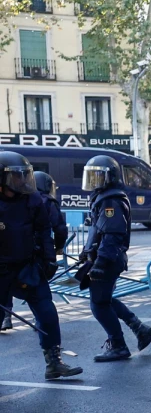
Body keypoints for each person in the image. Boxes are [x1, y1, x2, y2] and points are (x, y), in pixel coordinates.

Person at [0, 151, 83, 379]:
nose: (22, 181)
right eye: (16, 177)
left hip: (28, 265)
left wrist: (48, 260)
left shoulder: (33, 198)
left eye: (24, 176)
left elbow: (44, 231)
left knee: (47, 311)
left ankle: (54, 362)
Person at [78, 155, 151, 362]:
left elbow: (112, 235)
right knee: (104, 300)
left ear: (109, 177)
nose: (94, 181)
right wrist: (87, 252)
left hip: (109, 259)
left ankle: (119, 345)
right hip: (106, 257)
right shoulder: (104, 196)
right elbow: (99, 229)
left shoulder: (111, 199)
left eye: (98, 176)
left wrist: (101, 262)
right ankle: (139, 328)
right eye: (91, 176)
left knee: (98, 304)